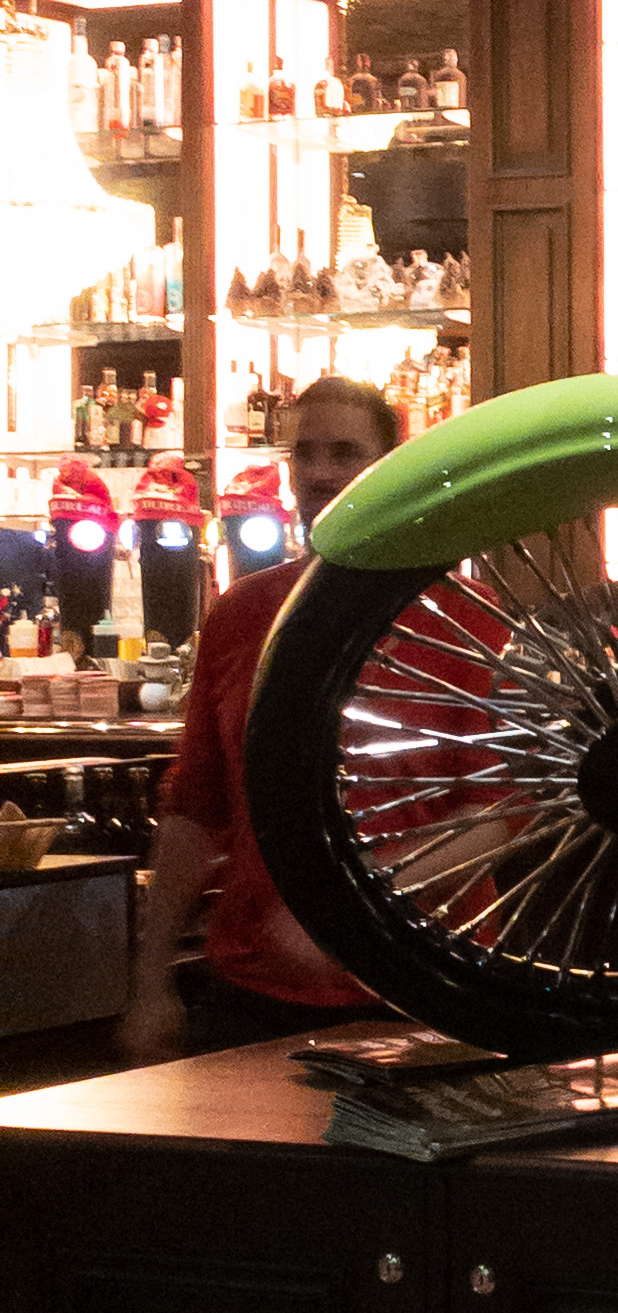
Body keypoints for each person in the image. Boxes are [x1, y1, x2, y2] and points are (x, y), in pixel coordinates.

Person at [116, 378, 401, 1060]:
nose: (321, 473)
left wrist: (342, 910)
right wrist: (151, 982)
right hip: (256, 989)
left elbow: (498, 815)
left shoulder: (459, 615)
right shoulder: (242, 612)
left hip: (419, 987)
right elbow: (196, 806)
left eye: (345, 452)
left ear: (395, 465)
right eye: (305, 453)